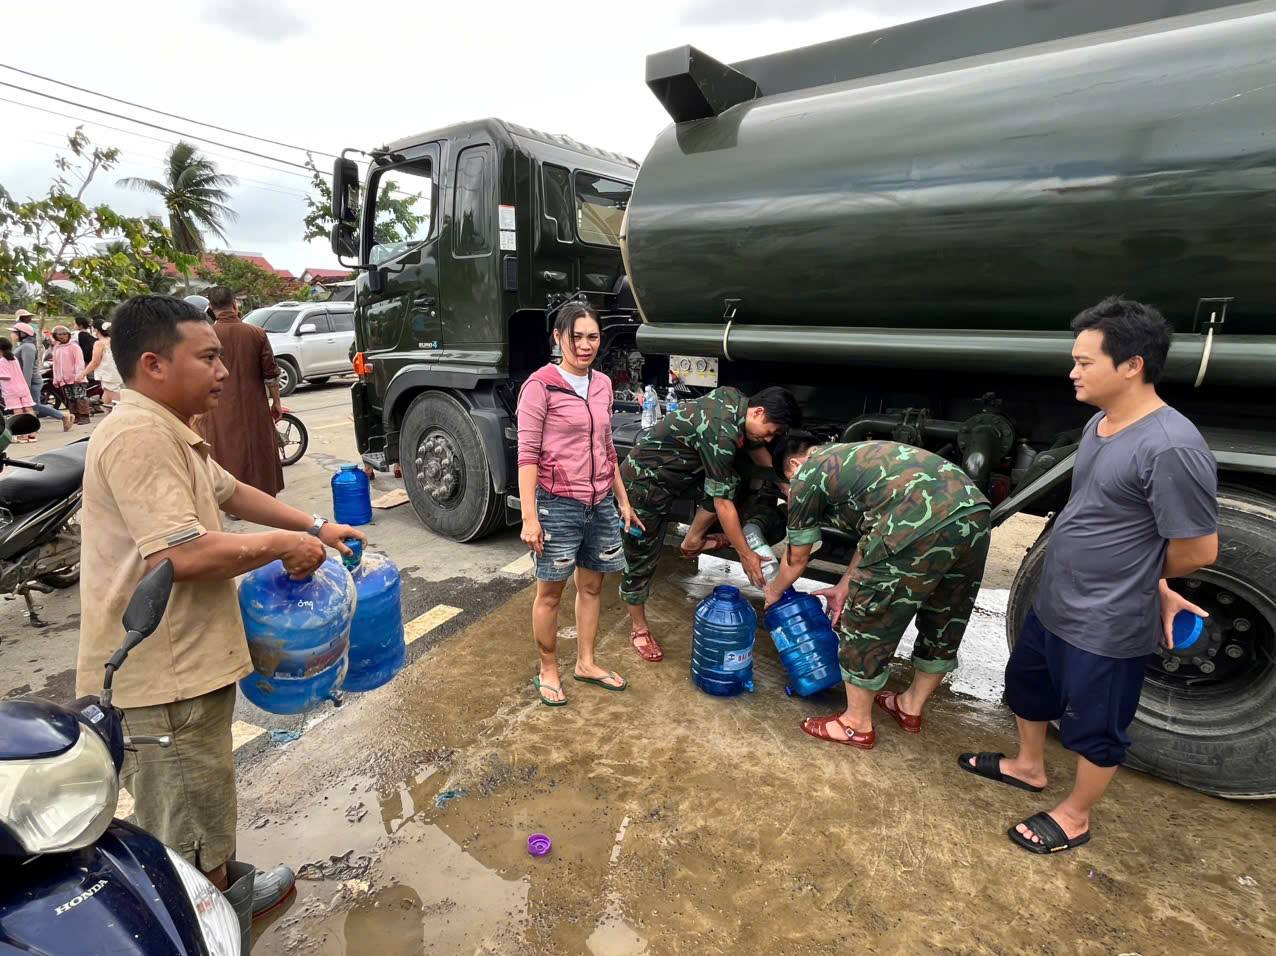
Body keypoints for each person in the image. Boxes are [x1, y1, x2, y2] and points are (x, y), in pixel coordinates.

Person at [73, 295, 366, 932]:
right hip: (165, 675)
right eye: (207, 357)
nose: (224, 370)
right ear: (153, 365)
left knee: (204, 804)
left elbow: (231, 492)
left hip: (186, 665)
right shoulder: (140, 437)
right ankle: (211, 925)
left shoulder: (170, 429)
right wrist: (283, 546)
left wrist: (316, 525)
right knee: (187, 829)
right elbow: (180, 554)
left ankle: (227, 888)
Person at [959, 297, 1218, 854]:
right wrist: (1156, 581)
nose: (1072, 372)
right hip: (1055, 601)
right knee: (1028, 687)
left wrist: (1145, 581)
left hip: (1106, 622)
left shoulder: (1171, 447)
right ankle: (1028, 766)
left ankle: (1075, 817)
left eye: (1084, 362)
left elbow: (1198, 549)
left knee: (1096, 727)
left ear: (1132, 365)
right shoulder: (1102, 422)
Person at [765, 434, 990, 750]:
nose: (791, 492)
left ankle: (855, 724)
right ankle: (909, 706)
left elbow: (796, 558)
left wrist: (773, 592)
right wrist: (844, 585)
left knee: (867, 617)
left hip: (917, 520)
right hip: (973, 512)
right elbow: (872, 532)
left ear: (794, 464)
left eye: (787, 485)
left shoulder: (808, 472)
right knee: (945, 615)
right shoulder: (856, 457)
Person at [620, 384, 802, 661]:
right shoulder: (721, 432)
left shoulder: (736, 402)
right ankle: (639, 629)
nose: (768, 439)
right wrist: (746, 555)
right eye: (771, 431)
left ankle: (693, 540)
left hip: (680, 477)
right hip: (643, 485)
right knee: (641, 559)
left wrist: (785, 485)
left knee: (730, 480)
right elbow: (722, 503)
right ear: (759, 412)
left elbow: (755, 448)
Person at [517, 301, 641, 705]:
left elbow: (607, 447)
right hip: (557, 504)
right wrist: (530, 517)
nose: (585, 346)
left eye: (593, 337)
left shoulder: (602, 384)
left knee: (591, 587)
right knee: (550, 593)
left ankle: (586, 662)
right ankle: (548, 669)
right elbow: (527, 456)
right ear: (558, 338)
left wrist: (622, 501)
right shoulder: (539, 386)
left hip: (600, 501)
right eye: (577, 337)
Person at [194, 285, 285, 496]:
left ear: (211, 308)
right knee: (259, 454)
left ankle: (233, 501)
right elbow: (270, 374)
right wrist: (276, 402)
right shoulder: (256, 333)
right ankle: (263, 499)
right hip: (255, 407)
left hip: (218, 408)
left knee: (226, 454)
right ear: (235, 305)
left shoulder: (205, 336)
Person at [9, 320, 73, 430]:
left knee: (34, 405)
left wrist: (25, 386)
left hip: (31, 381)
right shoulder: (23, 346)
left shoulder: (27, 347)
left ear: (22, 334)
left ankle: (63, 416)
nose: (12, 335)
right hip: (27, 380)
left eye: (14, 332)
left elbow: (27, 368)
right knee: (30, 406)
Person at [50, 324, 91, 423]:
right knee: (70, 398)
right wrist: (56, 379)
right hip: (64, 379)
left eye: (65, 334)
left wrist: (79, 375)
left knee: (80, 397)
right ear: (55, 336)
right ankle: (75, 416)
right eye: (59, 334)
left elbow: (79, 362)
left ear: (69, 335)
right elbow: (56, 365)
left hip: (76, 378)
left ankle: (84, 416)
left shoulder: (74, 347)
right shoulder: (56, 348)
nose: (62, 336)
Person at [0, 338, 37, 440]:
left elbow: (6, 376)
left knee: (18, 412)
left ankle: (23, 434)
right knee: (29, 409)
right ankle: (33, 433)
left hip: (11, 390)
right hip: (23, 387)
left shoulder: (2, 361)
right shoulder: (14, 359)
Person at [84, 319, 123, 406]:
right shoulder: (114, 341)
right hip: (115, 371)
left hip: (108, 373)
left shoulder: (99, 343)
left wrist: (83, 374)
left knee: (114, 400)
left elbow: (95, 362)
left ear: (96, 330)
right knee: (107, 399)